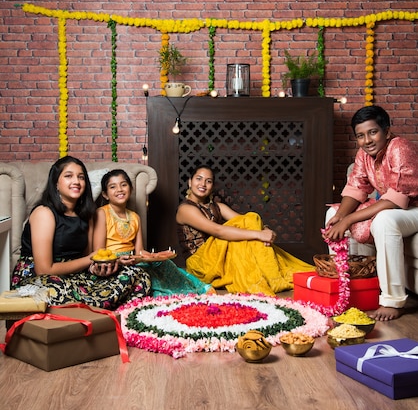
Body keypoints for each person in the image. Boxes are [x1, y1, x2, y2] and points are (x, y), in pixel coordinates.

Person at [11, 156, 151, 309]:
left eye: (81, 177)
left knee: (138, 276)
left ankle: (102, 310)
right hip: (41, 277)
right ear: (56, 183)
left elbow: (87, 259)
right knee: (56, 290)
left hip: (75, 275)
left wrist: (104, 266)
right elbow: (44, 269)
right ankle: (95, 308)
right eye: (68, 176)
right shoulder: (44, 213)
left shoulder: (86, 215)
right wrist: (91, 259)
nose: (76, 181)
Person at [325, 105, 418, 321]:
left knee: (384, 221)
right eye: (360, 136)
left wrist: (349, 218)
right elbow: (357, 188)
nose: (367, 140)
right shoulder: (363, 155)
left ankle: (393, 301)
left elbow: (397, 199)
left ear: (386, 130)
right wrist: (341, 217)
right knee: (332, 215)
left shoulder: (400, 148)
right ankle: (347, 290)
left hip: (412, 208)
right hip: (396, 209)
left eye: (373, 132)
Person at [175, 164, 314, 296]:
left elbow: (248, 222)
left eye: (208, 181)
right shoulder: (185, 209)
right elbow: (218, 231)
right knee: (243, 235)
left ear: (212, 186)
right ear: (189, 182)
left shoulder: (217, 206)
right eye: (198, 179)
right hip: (200, 263)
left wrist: (267, 231)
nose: (203, 184)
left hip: (218, 256)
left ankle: (272, 275)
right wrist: (259, 235)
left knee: (251, 219)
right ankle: (273, 277)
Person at [93, 169, 212, 297]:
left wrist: (155, 256)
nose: (119, 189)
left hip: (132, 260)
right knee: (141, 276)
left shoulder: (134, 217)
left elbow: (140, 252)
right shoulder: (102, 213)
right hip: (112, 263)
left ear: (131, 189)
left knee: (164, 263)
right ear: (105, 194)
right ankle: (163, 293)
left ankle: (190, 290)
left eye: (123, 185)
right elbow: (99, 253)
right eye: (113, 187)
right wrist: (119, 261)